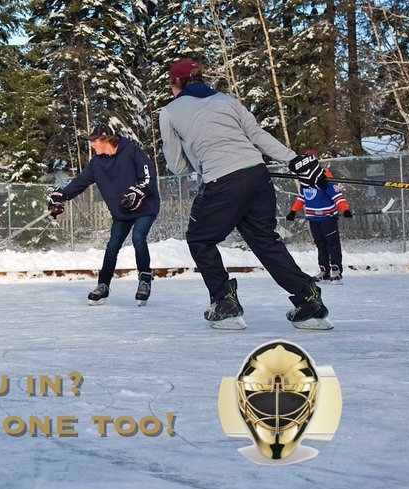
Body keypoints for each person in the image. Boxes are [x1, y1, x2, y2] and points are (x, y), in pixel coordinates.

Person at [159, 59, 331, 330]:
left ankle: (224, 303)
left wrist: (201, 155)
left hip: (222, 181)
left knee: (199, 239)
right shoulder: (227, 101)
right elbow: (257, 134)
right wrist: (294, 160)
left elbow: (177, 166)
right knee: (265, 240)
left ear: (176, 83)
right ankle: (307, 299)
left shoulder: (169, 112)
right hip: (257, 175)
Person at [48, 124, 159, 306]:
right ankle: (103, 286)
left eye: (94, 141)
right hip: (122, 212)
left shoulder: (130, 151)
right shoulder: (97, 163)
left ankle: (145, 280)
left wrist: (138, 192)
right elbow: (81, 181)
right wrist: (62, 195)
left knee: (139, 238)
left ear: (107, 139)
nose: (92, 145)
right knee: (112, 246)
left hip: (144, 208)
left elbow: (148, 176)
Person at [287, 166, 353, 284]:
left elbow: (338, 197)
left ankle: (336, 270)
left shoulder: (325, 180)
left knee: (332, 244)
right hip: (313, 219)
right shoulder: (305, 182)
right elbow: (301, 198)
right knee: (320, 244)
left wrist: (345, 209)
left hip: (327, 218)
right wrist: (293, 211)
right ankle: (324, 271)